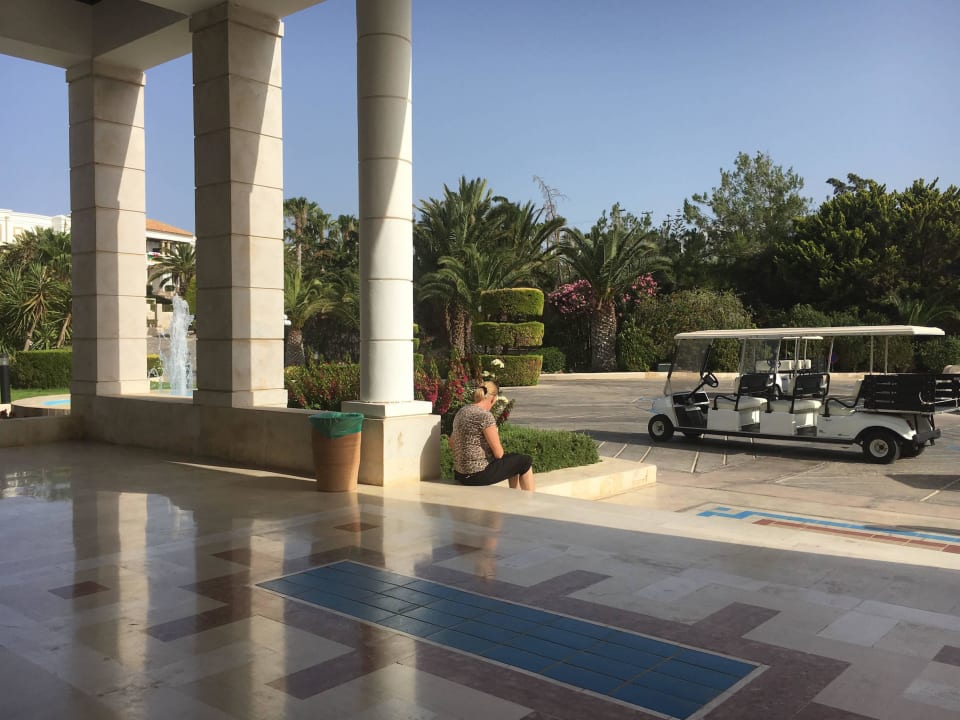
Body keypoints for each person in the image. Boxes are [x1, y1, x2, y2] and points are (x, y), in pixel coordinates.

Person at [448, 380, 535, 491]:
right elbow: (499, 453)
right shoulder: (485, 416)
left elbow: (451, 443)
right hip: (478, 475)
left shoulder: (462, 411)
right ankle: (531, 499)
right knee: (525, 461)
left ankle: (515, 495)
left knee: (514, 459)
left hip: (460, 474)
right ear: (493, 399)